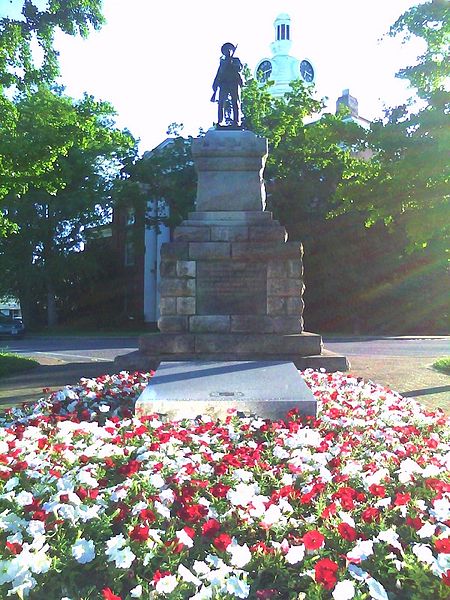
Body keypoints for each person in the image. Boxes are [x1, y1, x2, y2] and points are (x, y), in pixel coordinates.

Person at [211, 42, 243, 127]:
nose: (228, 51)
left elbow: (239, 68)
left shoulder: (236, 60)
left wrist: (232, 63)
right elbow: (219, 73)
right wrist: (215, 85)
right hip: (223, 83)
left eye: (229, 50)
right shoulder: (222, 62)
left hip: (233, 82)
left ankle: (236, 121)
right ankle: (220, 120)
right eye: (226, 50)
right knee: (221, 102)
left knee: (235, 101)